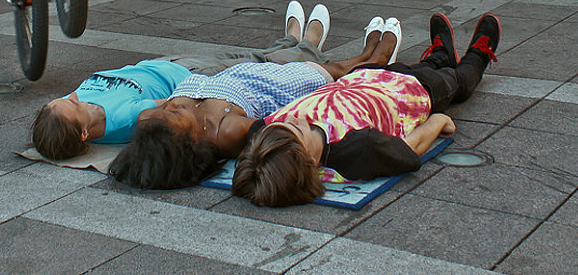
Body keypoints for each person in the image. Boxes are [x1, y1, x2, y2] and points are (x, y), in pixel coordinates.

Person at [232, 13, 501, 207]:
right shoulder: (356, 149)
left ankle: (439, 55)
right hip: (411, 94)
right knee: (456, 82)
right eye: (294, 128)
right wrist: (437, 122)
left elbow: (252, 147)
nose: (291, 117)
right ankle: (478, 56)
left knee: (428, 65)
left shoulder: (267, 133)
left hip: (366, 77)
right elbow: (408, 150)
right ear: (311, 161)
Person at [108, 15, 404, 190]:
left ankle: (362, 54)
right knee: (342, 71)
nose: (170, 107)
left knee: (335, 66)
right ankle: (375, 58)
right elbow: (275, 134)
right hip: (281, 86)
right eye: (173, 115)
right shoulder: (226, 132)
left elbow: (127, 117)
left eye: (165, 109)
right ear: (189, 141)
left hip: (243, 71)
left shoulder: (151, 119)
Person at [33, 1, 334, 159]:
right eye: (71, 105)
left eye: (64, 99)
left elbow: (56, 129)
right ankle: (307, 45)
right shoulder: (125, 119)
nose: (73, 96)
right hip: (193, 78)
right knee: (259, 65)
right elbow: (170, 107)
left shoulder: (76, 109)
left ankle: (290, 41)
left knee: (248, 56)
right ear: (84, 133)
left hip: (163, 64)